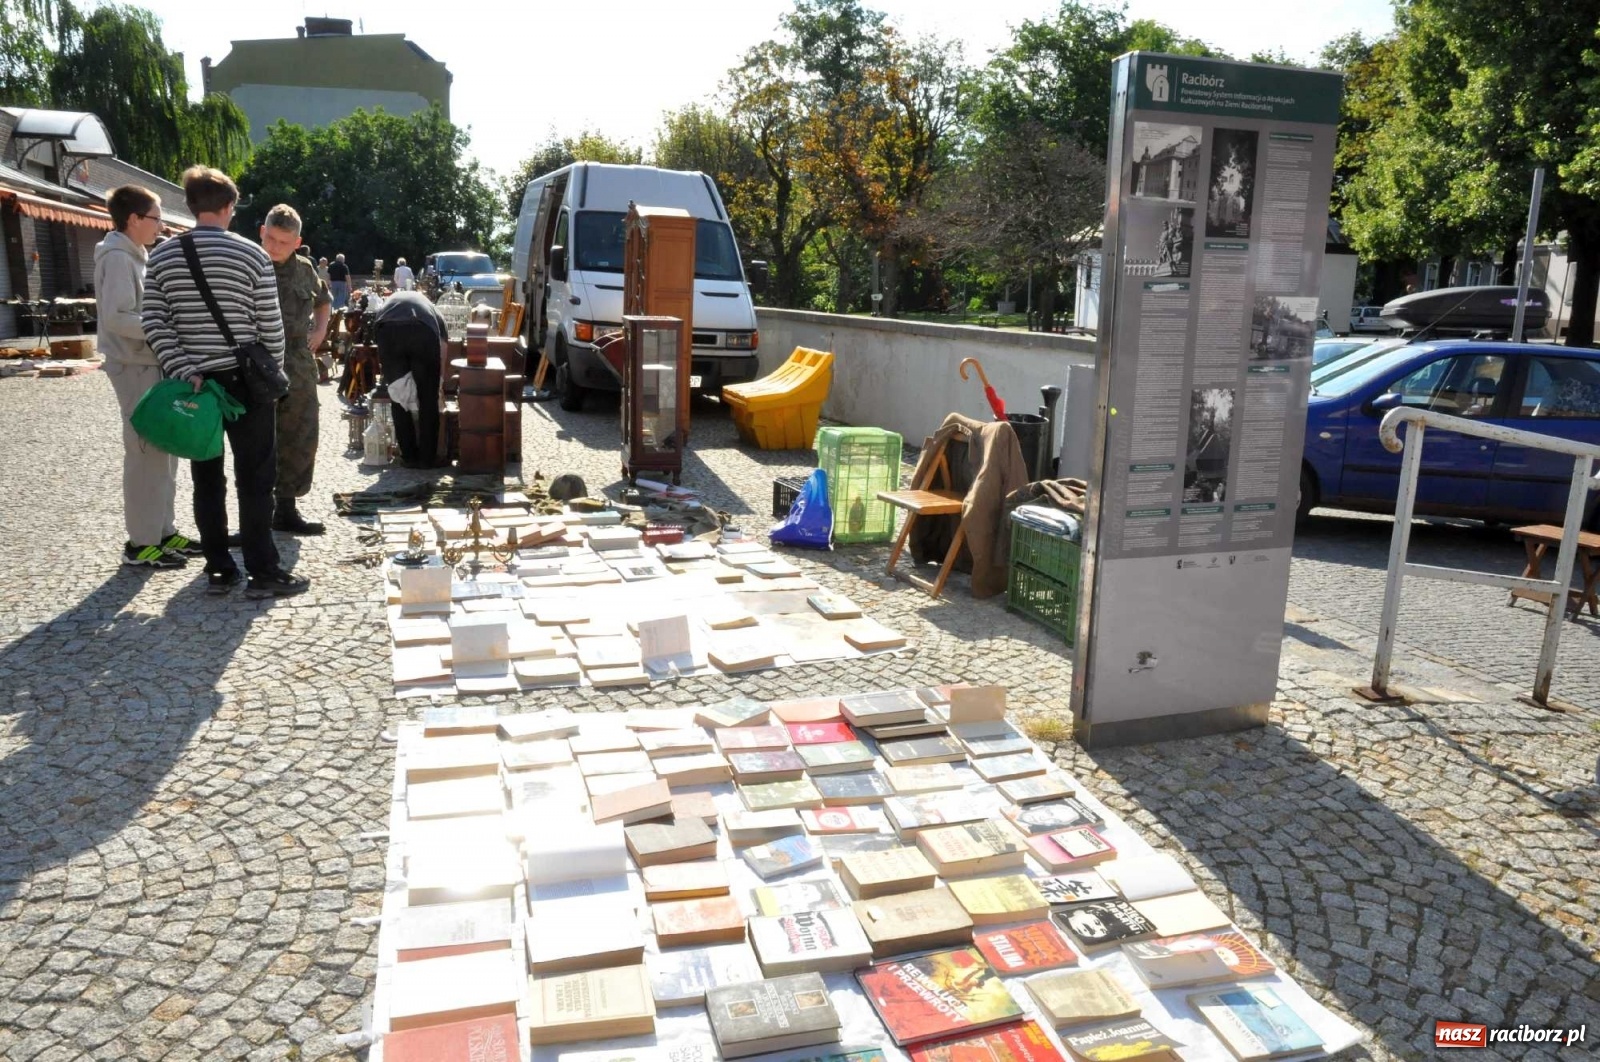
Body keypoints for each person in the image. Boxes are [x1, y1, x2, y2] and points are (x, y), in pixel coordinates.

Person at [142, 166, 308, 599]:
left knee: (206, 477)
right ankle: (263, 570)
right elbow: (269, 327)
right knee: (256, 478)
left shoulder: (161, 256)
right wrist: (270, 371)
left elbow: (154, 321)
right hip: (245, 382)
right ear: (230, 208)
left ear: (190, 205)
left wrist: (183, 368)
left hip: (196, 385)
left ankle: (218, 567)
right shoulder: (251, 255)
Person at [96, 184, 202, 569]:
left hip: (149, 364)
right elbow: (116, 317)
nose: (160, 225)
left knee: (164, 449)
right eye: (156, 217)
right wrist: (162, 327)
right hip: (134, 366)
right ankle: (141, 543)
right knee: (144, 453)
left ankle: (162, 530)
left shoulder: (136, 255)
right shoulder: (118, 258)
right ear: (134, 219)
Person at [260, 204, 333, 535]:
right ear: (262, 232)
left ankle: (286, 509)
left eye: (284, 242)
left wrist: (320, 330)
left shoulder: (305, 269)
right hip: (258, 361)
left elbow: (323, 300)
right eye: (271, 239)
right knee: (260, 440)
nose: (275, 247)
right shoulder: (249, 265)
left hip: (297, 361)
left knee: (300, 435)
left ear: (297, 241)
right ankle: (257, 512)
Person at [373, 289, 449, 467]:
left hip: (387, 331)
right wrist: (440, 380)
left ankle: (408, 456)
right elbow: (443, 347)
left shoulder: (390, 302)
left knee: (398, 397)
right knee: (428, 398)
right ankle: (427, 458)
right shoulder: (432, 309)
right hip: (422, 330)